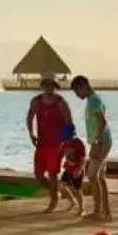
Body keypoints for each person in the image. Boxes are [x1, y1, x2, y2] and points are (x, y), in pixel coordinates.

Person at [26, 76, 72, 213]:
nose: (49, 88)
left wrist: (67, 143)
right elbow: (29, 117)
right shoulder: (36, 101)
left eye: (52, 86)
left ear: (56, 87)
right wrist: (31, 134)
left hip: (57, 143)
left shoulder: (61, 102)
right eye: (46, 86)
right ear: (42, 87)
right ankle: (59, 191)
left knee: (53, 173)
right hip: (41, 143)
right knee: (38, 174)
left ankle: (53, 201)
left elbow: (69, 123)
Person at [70, 74, 112, 221]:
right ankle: (106, 212)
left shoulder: (94, 100)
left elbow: (102, 120)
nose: (77, 95)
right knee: (99, 177)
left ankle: (98, 211)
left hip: (100, 142)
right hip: (100, 141)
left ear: (84, 86)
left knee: (92, 175)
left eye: (77, 92)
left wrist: (98, 139)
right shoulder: (93, 99)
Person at [59, 124, 87, 216]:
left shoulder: (79, 143)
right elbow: (62, 153)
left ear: (72, 134)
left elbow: (83, 159)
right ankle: (72, 202)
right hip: (68, 168)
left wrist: (78, 170)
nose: (66, 138)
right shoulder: (65, 142)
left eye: (67, 136)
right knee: (62, 187)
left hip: (77, 169)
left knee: (76, 189)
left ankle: (82, 209)